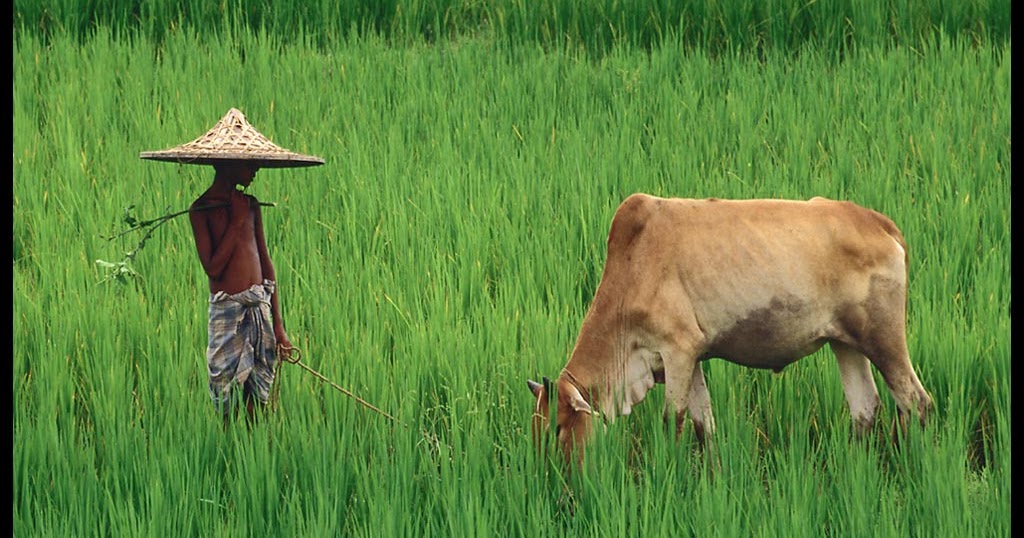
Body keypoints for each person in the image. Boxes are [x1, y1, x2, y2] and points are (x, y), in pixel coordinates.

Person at [188, 160, 293, 426]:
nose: (255, 171)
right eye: (250, 165)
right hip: (228, 312)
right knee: (226, 393)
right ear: (229, 165)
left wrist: (278, 326)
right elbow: (213, 267)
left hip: (259, 308)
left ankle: (253, 449)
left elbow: (266, 265)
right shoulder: (201, 209)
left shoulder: (251, 205)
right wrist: (235, 221)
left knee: (258, 395)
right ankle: (230, 452)